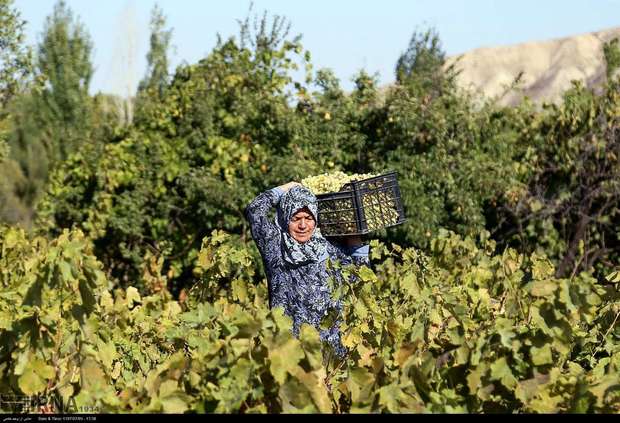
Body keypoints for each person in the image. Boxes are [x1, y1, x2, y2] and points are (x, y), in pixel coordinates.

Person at [244, 181, 369, 357]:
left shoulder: (328, 247)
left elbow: (358, 279)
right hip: (292, 348)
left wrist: (355, 239)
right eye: (296, 219)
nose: (303, 225)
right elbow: (254, 210)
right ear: (285, 217)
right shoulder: (274, 245)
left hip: (332, 350)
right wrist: (287, 187)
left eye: (309, 218)